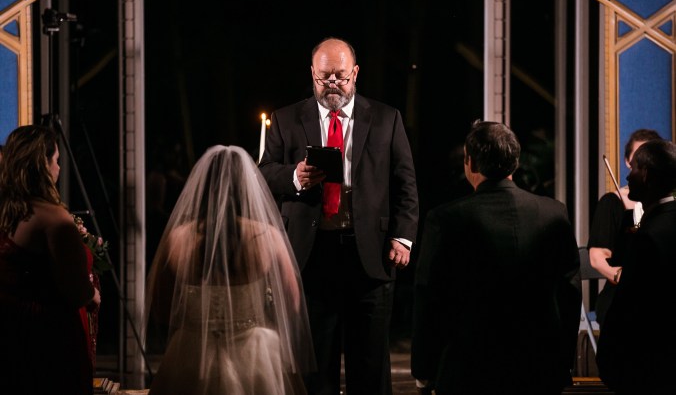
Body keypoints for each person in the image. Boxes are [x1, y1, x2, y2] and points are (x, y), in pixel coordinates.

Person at [258, 36, 419, 395]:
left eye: (340, 77)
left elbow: (406, 183)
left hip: (370, 253)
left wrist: (403, 237)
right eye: (324, 77)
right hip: (311, 254)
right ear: (312, 74)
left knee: (370, 365)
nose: (332, 84)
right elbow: (263, 173)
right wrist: (294, 176)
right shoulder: (286, 119)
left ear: (355, 73)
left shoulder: (386, 118)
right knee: (315, 366)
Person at [411, 120, 581, 395]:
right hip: (539, 365)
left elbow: (430, 298)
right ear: (516, 161)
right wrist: (562, 363)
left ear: (470, 163)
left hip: (469, 368)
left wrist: (424, 370)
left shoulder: (446, 219)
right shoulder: (554, 213)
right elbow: (569, 294)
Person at [144, 145, 315, 395]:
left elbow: (160, 307)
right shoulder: (268, 237)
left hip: (192, 352)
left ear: (202, 187)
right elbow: (291, 303)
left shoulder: (178, 238)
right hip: (254, 354)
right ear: (248, 187)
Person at [0, 124, 100, 395]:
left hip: (9, 335)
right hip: (46, 339)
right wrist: (92, 294)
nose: (59, 167)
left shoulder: (7, 213)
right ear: (41, 165)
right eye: (56, 160)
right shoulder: (53, 219)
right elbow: (75, 291)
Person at [596, 138, 676, 394]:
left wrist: (608, 361)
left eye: (635, 169)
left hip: (650, 364)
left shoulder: (648, 236)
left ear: (648, 176)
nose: (628, 177)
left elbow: (630, 309)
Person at [587, 128, 662, 328]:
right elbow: (596, 257)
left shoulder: (665, 204)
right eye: (638, 158)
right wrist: (619, 275)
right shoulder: (612, 203)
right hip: (621, 295)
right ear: (628, 162)